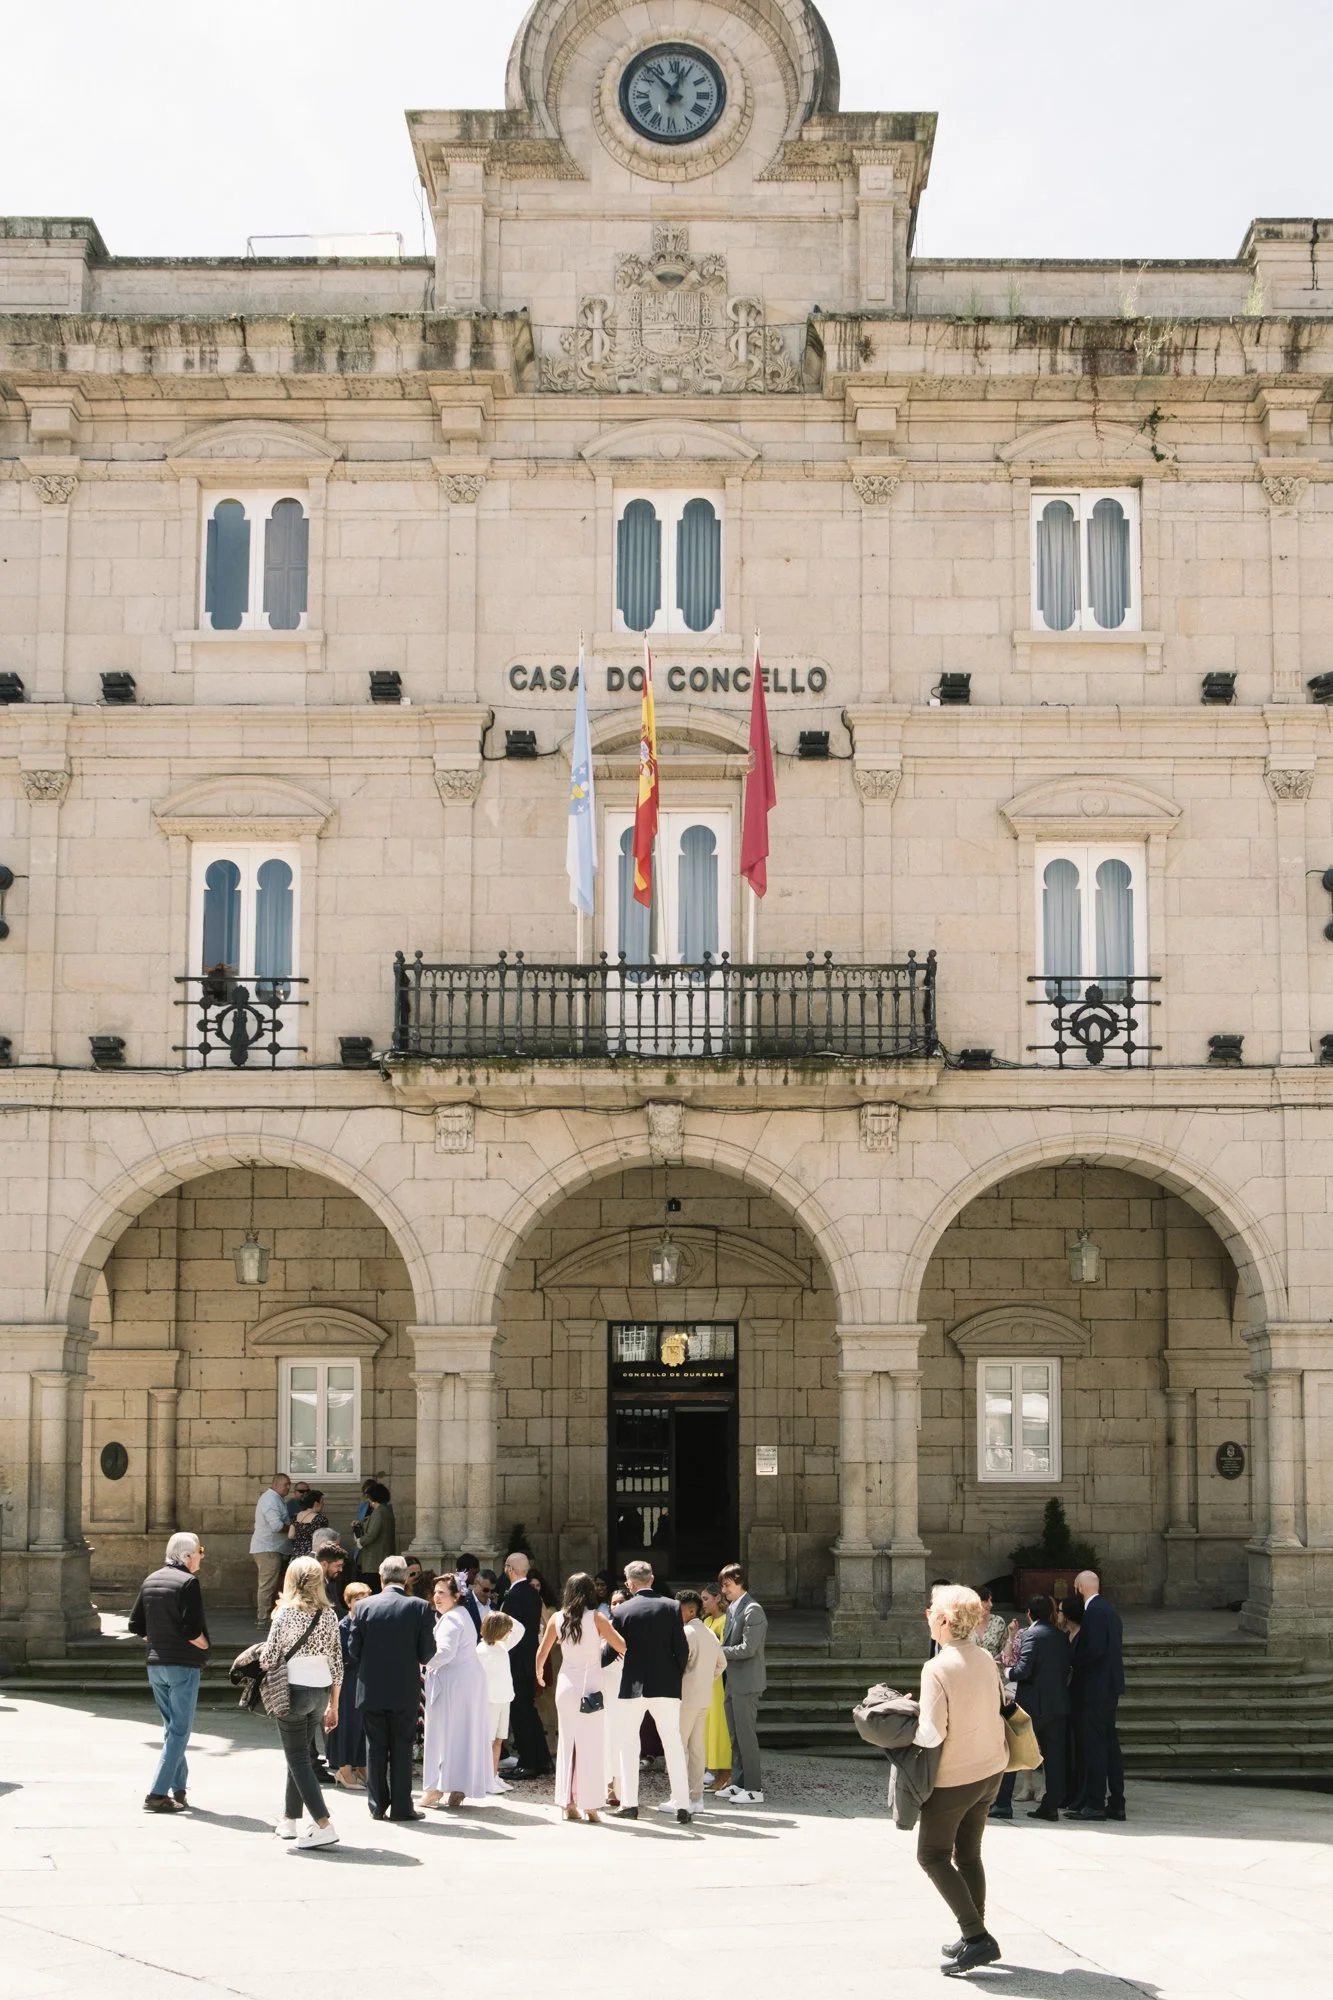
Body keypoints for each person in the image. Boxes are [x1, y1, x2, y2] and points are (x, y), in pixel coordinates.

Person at [913, 1583, 1009, 1977]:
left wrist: (898, 1727)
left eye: (931, 1609)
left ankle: (976, 1936)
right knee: (968, 1855)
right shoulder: (984, 1656)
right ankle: (974, 1930)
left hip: (955, 1777)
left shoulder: (937, 1667)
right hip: (990, 1769)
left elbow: (931, 1733)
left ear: (944, 1620)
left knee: (932, 1855)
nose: (927, 1615)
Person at [260, 1555, 343, 1850]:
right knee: (298, 1756)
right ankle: (290, 1819)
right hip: (320, 1691)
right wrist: (334, 1704)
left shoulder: (284, 1613)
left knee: (297, 1756)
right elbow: (337, 1664)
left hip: (293, 1690)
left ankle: (323, 1824)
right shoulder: (329, 1614)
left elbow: (269, 1657)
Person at [346, 1554, 436, 1821]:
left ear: (381, 1577)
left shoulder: (364, 1607)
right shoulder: (420, 1607)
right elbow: (427, 1652)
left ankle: (377, 1805)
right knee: (402, 1748)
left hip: (371, 1688)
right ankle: (401, 1807)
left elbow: (353, 1650)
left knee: (374, 1748)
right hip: (404, 1688)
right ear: (406, 1577)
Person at [128, 1531, 209, 1814]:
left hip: (156, 1664)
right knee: (179, 1730)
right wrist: (205, 1645)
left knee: (172, 1729)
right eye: (200, 1551)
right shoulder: (188, 1582)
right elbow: (192, 1630)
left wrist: (159, 1639)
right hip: (182, 1664)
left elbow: (135, 1625)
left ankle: (178, 1788)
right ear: (187, 1556)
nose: (202, 1556)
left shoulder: (151, 1579)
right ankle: (157, 1793)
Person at [538, 1572, 626, 1824]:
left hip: (566, 1685)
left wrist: (540, 1675)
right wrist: (600, 1644)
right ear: (589, 1592)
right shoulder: (597, 1617)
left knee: (567, 1744)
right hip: (590, 1687)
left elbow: (542, 1652)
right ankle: (590, 1806)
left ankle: (567, 1803)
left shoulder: (556, 1618)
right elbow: (621, 1645)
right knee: (591, 1746)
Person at [610, 1560, 691, 1823]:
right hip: (666, 1684)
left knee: (628, 1744)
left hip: (633, 1684)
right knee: (673, 1743)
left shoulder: (622, 1610)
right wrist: (676, 1674)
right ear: (652, 1579)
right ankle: (683, 1805)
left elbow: (612, 1650)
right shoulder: (672, 1606)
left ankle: (629, 1803)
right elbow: (681, 1648)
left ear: (629, 1584)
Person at [420, 1572, 494, 1809]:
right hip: (466, 1680)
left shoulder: (451, 1618)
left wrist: (421, 1661)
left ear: (456, 1596)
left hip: (453, 1682)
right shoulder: (462, 1614)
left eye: (442, 1593)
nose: (436, 1597)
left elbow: (445, 1652)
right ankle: (459, 1785)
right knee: (462, 1733)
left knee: (443, 1733)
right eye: (435, 1592)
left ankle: (435, 1788)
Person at [1001, 1594, 1070, 1822]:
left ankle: (1002, 1804)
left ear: (1029, 1613)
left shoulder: (1032, 1634)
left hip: (1031, 1705)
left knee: (1012, 1751)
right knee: (1055, 1758)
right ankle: (1051, 1806)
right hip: (1057, 1704)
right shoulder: (1061, 1635)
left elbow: (1022, 1671)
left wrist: (1006, 1672)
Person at [1066, 1569, 1126, 1822]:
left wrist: (1070, 1659)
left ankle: (1095, 1803)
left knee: (1096, 1746)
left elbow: (1094, 1650)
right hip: (1108, 1688)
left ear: (1080, 1587)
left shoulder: (1094, 1612)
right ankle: (1117, 1802)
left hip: (1095, 1689)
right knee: (1110, 1745)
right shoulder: (1109, 1611)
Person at [716, 1563, 768, 1805]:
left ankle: (754, 1788)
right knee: (735, 1735)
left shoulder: (752, 1610)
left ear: (740, 1582)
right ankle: (738, 1783)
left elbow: (748, 1649)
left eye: (727, 1584)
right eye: (722, 1585)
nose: (723, 1590)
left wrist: (717, 1650)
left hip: (746, 1682)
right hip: (734, 1681)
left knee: (746, 1736)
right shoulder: (734, 1608)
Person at [499, 1552, 554, 1777]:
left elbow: (507, 1632)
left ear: (509, 1569)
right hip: (528, 1660)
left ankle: (528, 1762)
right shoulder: (532, 1593)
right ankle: (541, 1760)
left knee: (520, 1713)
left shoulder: (515, 1595)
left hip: (517, 1662)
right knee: (528, 1711)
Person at [677, 1590, 725, 1810]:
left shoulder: (687, 1632)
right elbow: (722, 1664)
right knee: (696, 1748)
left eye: (678, 1610)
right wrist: (706, 1680)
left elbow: (679, 1665)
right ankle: (696, 1798)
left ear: (690, 1610)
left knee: (680, 1747)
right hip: (704, 1696)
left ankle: (680, 1797)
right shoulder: (709, 1632)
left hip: (686, 1697)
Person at [329, 1580, 372, 1788]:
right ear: (348, 1602)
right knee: (348, 1723)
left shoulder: (369, 1622)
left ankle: (360, 1765)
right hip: (347, 1681)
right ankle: (344, 1769)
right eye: (357, 1599)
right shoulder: (343, 1626)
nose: (362, 1602)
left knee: (363, 1724)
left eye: (365, 1598)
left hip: (364, 1679)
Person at [477, 1610, 524, 1789]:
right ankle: (485, 1779)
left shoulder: (502, 1645)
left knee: (499, 1740)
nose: (510, 1633)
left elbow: (520, 1629)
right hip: (489, 1701)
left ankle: (493, 1775)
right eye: (506, 1629)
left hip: (504, 1699)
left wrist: (502, 1617)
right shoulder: (481, 1651)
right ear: (498, 1630)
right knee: (488, 1741)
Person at [699, 1582, 732, 1791]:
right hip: (705, 1678)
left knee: (719, 1724)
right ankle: (711, 1767)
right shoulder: (707, 1620)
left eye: (705, 1599)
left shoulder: (725, 1620)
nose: (703, 1603)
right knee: (708, 1724)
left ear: (717, 1598)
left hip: (719, 1678)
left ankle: (724, 1770)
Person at [249, 1473, 292, 1628]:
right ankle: (263, 1619)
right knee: (267, 1585)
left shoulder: (275, 1498)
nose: (288, 1487)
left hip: (271, 1547)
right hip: (268, 1548)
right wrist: (294, 1527)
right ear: (275, 1484)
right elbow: (277, 1526)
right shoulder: (270, 1500)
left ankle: (266, 1617)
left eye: (289, 1484)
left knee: (270, 1585)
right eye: (286, 1484)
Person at [355, 1482, 396, 1582]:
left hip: (374, 1560)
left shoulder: (379, 1512)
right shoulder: (386, 1510)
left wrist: (360, 1541)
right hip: (383, 1556)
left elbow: (371, 1535)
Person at [288, 1489, 329, 1560]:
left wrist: (302, 1539)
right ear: (316, 1503)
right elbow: (322, 1539)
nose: (323, 1504)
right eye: (322, 1502)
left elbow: (290, 1535)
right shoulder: (320, 1519)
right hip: (312, 1556)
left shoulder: (297, 1516)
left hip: (297, 1556)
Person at [971, 1586, 1008, 1659]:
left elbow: (1004, 1651)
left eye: (990, 1600)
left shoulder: (998, 1622)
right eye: (986, 1601)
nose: (991, 1604)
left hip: (993, 1665)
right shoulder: (963, 1623)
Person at [316, 1542, 348, 1614]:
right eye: (338, 1566)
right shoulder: (311, 1584)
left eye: (341, 1566)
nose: (341, 1570)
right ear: (324, 1564)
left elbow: (337, 1608)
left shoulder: (331, 1581)